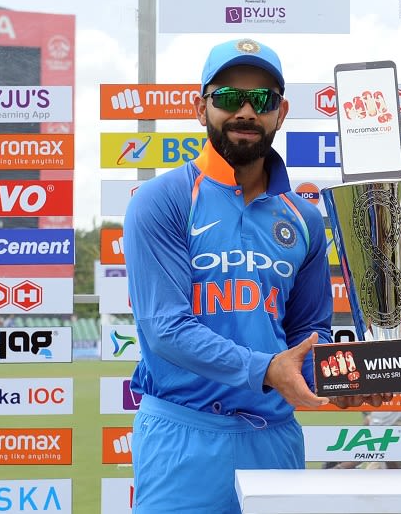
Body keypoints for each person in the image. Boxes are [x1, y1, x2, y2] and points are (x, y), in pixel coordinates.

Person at [123, 38, 335, 514]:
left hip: (274, 438)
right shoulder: (162, 200)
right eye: (226, 98)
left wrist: (350, 374)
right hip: (184, 439)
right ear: (201, 109)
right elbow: (166, 330)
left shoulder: (305, 217)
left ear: (281, 112)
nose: (245, 111)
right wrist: (266, 369)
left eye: (262, 100)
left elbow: (309, 330)